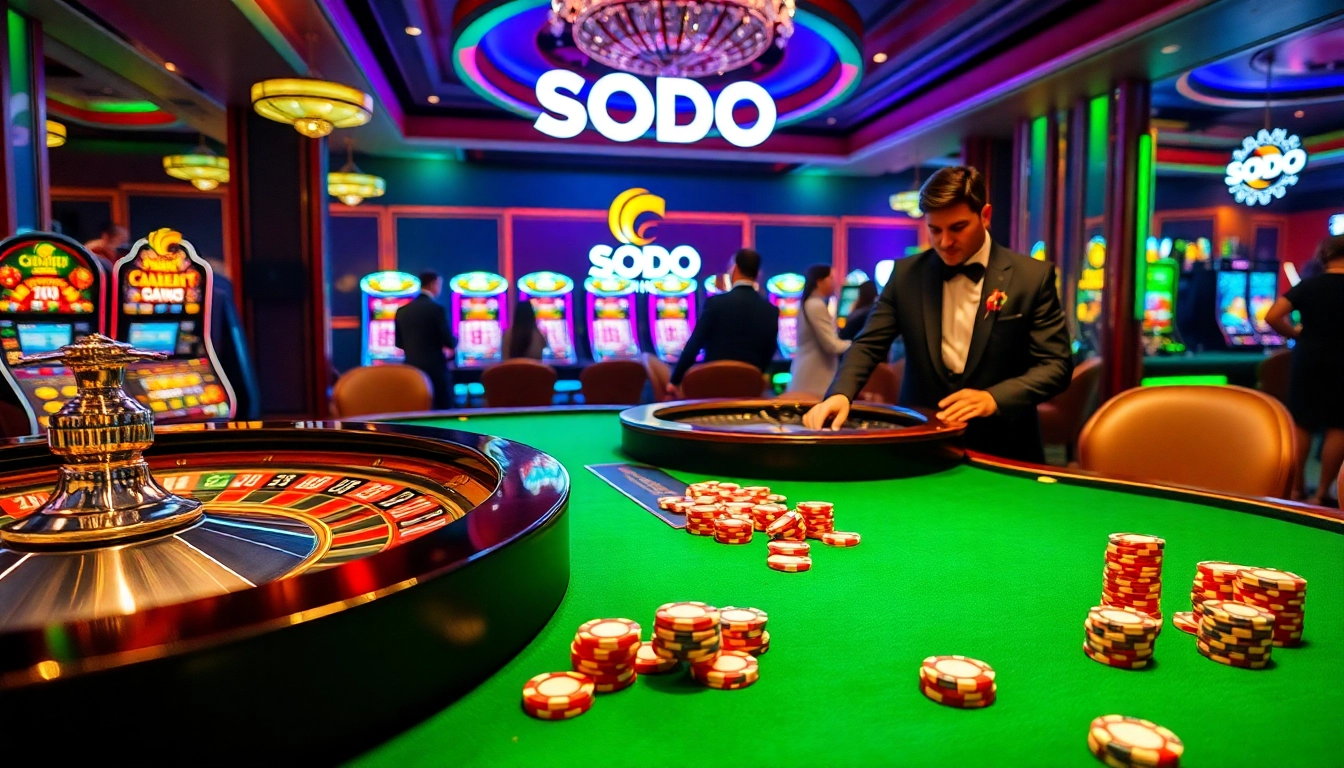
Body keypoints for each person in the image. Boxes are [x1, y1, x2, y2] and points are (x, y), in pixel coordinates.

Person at [803, 165, 1072, 462]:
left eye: (957, 228)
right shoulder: (906, 275)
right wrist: (841, 393)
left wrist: (994, 398)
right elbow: (868, 344)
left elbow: (1056, 366)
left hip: (1006, 446)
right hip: (922, 442)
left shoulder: (1031, 277)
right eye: (935, 229)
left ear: (985, 216)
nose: (945, 242)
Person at [1265, 234, 1344, 507]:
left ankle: (1296, 490)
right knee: (1338, 426)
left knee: (1302, 422)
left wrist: (1297, 335)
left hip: (1308, 358)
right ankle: (1322, 492)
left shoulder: (1308, 286)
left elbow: (1272, 316)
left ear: (1325, 256)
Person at [668, 248, 779, 396]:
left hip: (713, 389)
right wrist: (756, 373)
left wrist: (674, 381)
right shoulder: (770, 310)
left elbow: (694, 345)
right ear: (757, 273)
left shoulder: (715, 303)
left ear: (735, 268)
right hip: (749, 391)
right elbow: (769, 351)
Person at [395, 271, 457, 410]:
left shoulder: (402, 310)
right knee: (443, 408)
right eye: (439, 284)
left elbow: (398, 343)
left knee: (416, 408)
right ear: (434, 284)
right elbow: (448, 341)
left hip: (411, 368)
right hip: (435, 368)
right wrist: (454, 344)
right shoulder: (437, 309)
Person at [787, 264, 851, 398]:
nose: (834, 283)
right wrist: (856, 344)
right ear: (820, 281)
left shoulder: (808, 303)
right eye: (831, 278)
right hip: (814, 378)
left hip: (806, 374)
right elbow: (831, 345)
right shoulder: (816, 305)